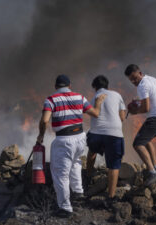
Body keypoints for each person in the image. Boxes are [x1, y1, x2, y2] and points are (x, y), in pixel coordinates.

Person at [36, 74, 106, 218]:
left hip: (64, 140)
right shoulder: (79, 97)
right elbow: (95, 113)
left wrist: (41, 135)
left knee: (60, 173)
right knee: (75, 163)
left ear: (56, 87)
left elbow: (44, 121)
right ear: (69, 86)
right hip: (80, 137)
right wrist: (98, 102)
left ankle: (65, 208)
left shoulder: (51, 100)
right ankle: (79, 193)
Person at [124, 64, 156, 186]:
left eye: (135, 78)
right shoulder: (151, 79)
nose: (134, 81)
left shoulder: (142, 86)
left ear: (140, 73)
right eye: (131, 80)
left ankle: (152, 172)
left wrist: (134, 112)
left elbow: (146, 108)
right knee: (146, 140)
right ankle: (155, 167)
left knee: (138, 144)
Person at [86, 75, 126, 202]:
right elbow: (122, 118)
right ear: (107, 85)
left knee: (92, 151)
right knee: (114, 165)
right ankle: (111, 196)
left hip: (96, 133)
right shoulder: (117, 95)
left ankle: (88, 177)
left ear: (95, 87)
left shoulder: (92, 99)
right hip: (114, 134)